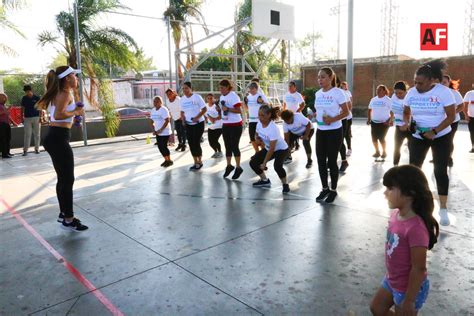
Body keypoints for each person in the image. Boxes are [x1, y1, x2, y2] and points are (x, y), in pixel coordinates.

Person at [370, 165, 438, 316]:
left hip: (408, 289)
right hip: (392, 279)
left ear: (410, 193)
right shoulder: (395, 214)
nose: (385, 192)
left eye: (390, 188)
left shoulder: (416, 228)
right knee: (377, 308)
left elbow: (419, 269)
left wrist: (409, 300)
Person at [402, 59, 455, 226]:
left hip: (441, 135)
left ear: (432, 80)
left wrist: (435, 131)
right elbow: (406, 110)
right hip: (419, 135)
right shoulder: (411, 92)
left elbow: (451, 117)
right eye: (415, 82)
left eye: (421, 83)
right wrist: (407, 122)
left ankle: (443, 208)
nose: (417, 86)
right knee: (413, 170)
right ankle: (414, 204)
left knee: (440, 170)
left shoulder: (444, 92)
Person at [36, 66, 88, 231]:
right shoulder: (64, 93)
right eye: (74, 75)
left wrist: (74, 114)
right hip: (58, 137)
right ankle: (68, 219)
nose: (76, 78)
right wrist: (77, 111)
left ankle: (64, 213)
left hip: (56, 136)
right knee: (67, 179)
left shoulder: (61, 93)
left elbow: (59, 113)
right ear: (67, 78)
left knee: (63, 179)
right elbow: (58, 115)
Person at [314, 67, 349, 203]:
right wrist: (314, 115)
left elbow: (346, 112)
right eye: (318, 77)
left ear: (330, 78)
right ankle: (324, 188)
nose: (320, 80)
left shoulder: (338, 92)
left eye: (322, 77)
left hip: (334, 131)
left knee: (332, 161)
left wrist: (332, 119)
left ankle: (333, 190)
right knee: (321, 161)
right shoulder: (318, 94)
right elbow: (320, 111)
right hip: (320, 131)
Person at [249, 105, 290, 193]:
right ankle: (265, 180)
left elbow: (272, 148)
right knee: (253, 162)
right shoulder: (259, 124)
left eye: (262, 115)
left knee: (277, 166)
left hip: (281, 149)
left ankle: (285, 184)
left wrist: (264, 163)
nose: (260, 117)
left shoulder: (273, 128)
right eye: (259, 115)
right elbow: (256, 133)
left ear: (269, 115)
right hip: (269, 148)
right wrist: (257, 138)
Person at [219, 79, 244, 179]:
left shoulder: (234, 96)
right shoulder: (221, 97)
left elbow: (239, 110)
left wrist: (228, 109)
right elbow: (222, 109)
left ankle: (238, 167)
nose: (220, 90)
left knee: (234, 146)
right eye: (220, 88)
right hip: (225, 124)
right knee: (227, 146)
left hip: (236, 125)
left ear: (228, 87)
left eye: (222, 87)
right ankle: (229, 165)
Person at [180, 82, 207, 171]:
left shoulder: (197, 97)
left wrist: (196, 117)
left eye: (186, 88)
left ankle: (200, 161)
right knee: (191, 143)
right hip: (188, 124)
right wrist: (183, 120)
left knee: (196, 142)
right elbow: (182, 112)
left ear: (191, 88)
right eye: (183, 88)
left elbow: (204, 109)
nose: (185, 90)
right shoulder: (182, 99)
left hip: (198, 123)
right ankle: (195, 162)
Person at [441, 75, 464, 167]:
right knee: (440, 140)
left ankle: (449, 157)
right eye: (440, 82)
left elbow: (461, 106)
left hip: (452, 121)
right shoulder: (434, 93)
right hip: (439, 121)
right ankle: (438, 157)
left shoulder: (454, 93)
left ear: (449, 83)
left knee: (449, 140)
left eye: (444, 82)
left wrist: (452, 114)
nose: (442, 84)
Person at [368, 85, 394, 160]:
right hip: (374, 122)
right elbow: (369, 109)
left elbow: (392, 112)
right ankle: (377, 151)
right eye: (377, 89)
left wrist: (390, 121)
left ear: (384, 91)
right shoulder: (373, 99)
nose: (378, 91)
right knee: (374, 138)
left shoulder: (388, 100)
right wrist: (369, 119)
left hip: (384, 123)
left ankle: (384, 152)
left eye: (379, 90)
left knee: (381, 138)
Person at [149, 96, 173, 167]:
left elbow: (167, 120)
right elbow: (151, 121)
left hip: (165, 132)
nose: (155, 103)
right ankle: (166, 160)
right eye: (154, 101)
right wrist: (154, 130)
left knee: (164, 146)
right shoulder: (153, 110)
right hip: (157, 132)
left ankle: (169, 160)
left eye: (157, 101)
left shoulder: (164, 109)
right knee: (160, 147)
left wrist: (161, 130)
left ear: (161, 102)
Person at [245, 82, 268, 153]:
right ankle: (257, 153)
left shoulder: (260, 96)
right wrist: (244, 104)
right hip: (251, 121)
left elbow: (268, 105)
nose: (251, 90)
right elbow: (246, 109)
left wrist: (262, 102)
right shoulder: (248, 97)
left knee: (261, 138)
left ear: (256, 89)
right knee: (252, 138)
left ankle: (263, 153)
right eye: (250, 89)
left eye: (253, 89)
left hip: (260, 121)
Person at [391, 81, 410, 166]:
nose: (398, 95)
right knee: (396, 147)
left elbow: (409, 113)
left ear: (406, 91)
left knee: (412, 149)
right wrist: (391, 119)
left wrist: (407, 124)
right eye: (396, 93)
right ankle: (395, 165)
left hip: (410, 127)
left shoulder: (410, 98)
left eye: (400, 93)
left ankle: (413, 168)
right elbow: (392, 109)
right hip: (399, 126)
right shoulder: (393, 97)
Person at [21, 85, 41, 156]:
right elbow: (22, 108)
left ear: (31, 90)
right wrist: (21, 117)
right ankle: (25, 150)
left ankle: (37, 148)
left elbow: (40, 108)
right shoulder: (24, 98)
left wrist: (40, 117)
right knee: (27, 134)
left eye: (28, 91)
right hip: (27, 118)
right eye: (26, 91)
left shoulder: (37, 98)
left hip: (36, 117)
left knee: (37, 134)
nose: (27, 93)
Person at [337, 78, 350, 172]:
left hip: (342, 120)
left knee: (340, 141)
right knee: (330, 143)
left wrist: (341, 113)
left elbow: (349, 105)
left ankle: (344, 161)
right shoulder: (323, 93)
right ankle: (330, 162)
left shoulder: (342, 93)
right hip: (330, 123)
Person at [205, 94, 223, 158]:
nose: (210, 100)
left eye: (211, 98)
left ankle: (220, 152)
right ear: (206, 99)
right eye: (208, 98)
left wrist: (213, 119)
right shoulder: (206, 106)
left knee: (215, 140)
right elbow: (205, 114)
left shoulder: (217, 106)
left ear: (214, 98)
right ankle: (215, 152)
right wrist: (208, 119)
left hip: (218, 126)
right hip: (210, 127)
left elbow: (221, 116)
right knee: (210, 142)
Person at [340, 81, 353, 156]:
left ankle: (349, 148)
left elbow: (350, 103)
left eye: (344, 86)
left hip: (347, 118)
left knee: (346, 134)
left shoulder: (347, 93)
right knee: (340, 134)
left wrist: (346, 111)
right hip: (340, 118)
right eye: (341, 86)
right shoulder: (338, 92)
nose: (342, 87)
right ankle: (341, 148)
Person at [0, 93, 13, 159]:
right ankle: (4, 154)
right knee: (3, 139)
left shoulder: (3, 105)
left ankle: (8, 152)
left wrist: (13, 122)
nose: (5, 99)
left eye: (6, 98)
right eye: (4, 98)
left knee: (8, 138)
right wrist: (7, 110)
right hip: (1, 124)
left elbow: (7, 115)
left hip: (7, 124)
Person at [464, 88, 474, 153]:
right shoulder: (469, 93)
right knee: (472, 132)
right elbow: (464, 105)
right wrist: (466, 115)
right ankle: (473, 147)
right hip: (471, 117)